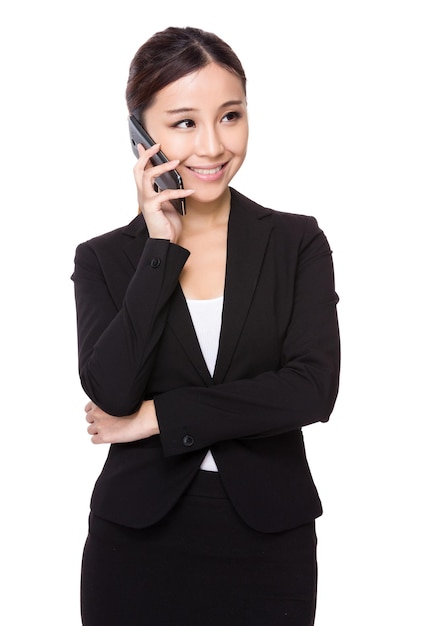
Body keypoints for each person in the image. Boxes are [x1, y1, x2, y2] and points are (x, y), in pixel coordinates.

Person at [71, 25, 340, 626]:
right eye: (184, 122)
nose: (214, 147)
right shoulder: (104, 259)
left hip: (269, 539)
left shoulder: (297, 242)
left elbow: (310, 390)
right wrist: (160, 248)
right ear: (141, 133)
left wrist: (156, 418)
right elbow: (110, 392)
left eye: (231, 116)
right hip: (137, 539)